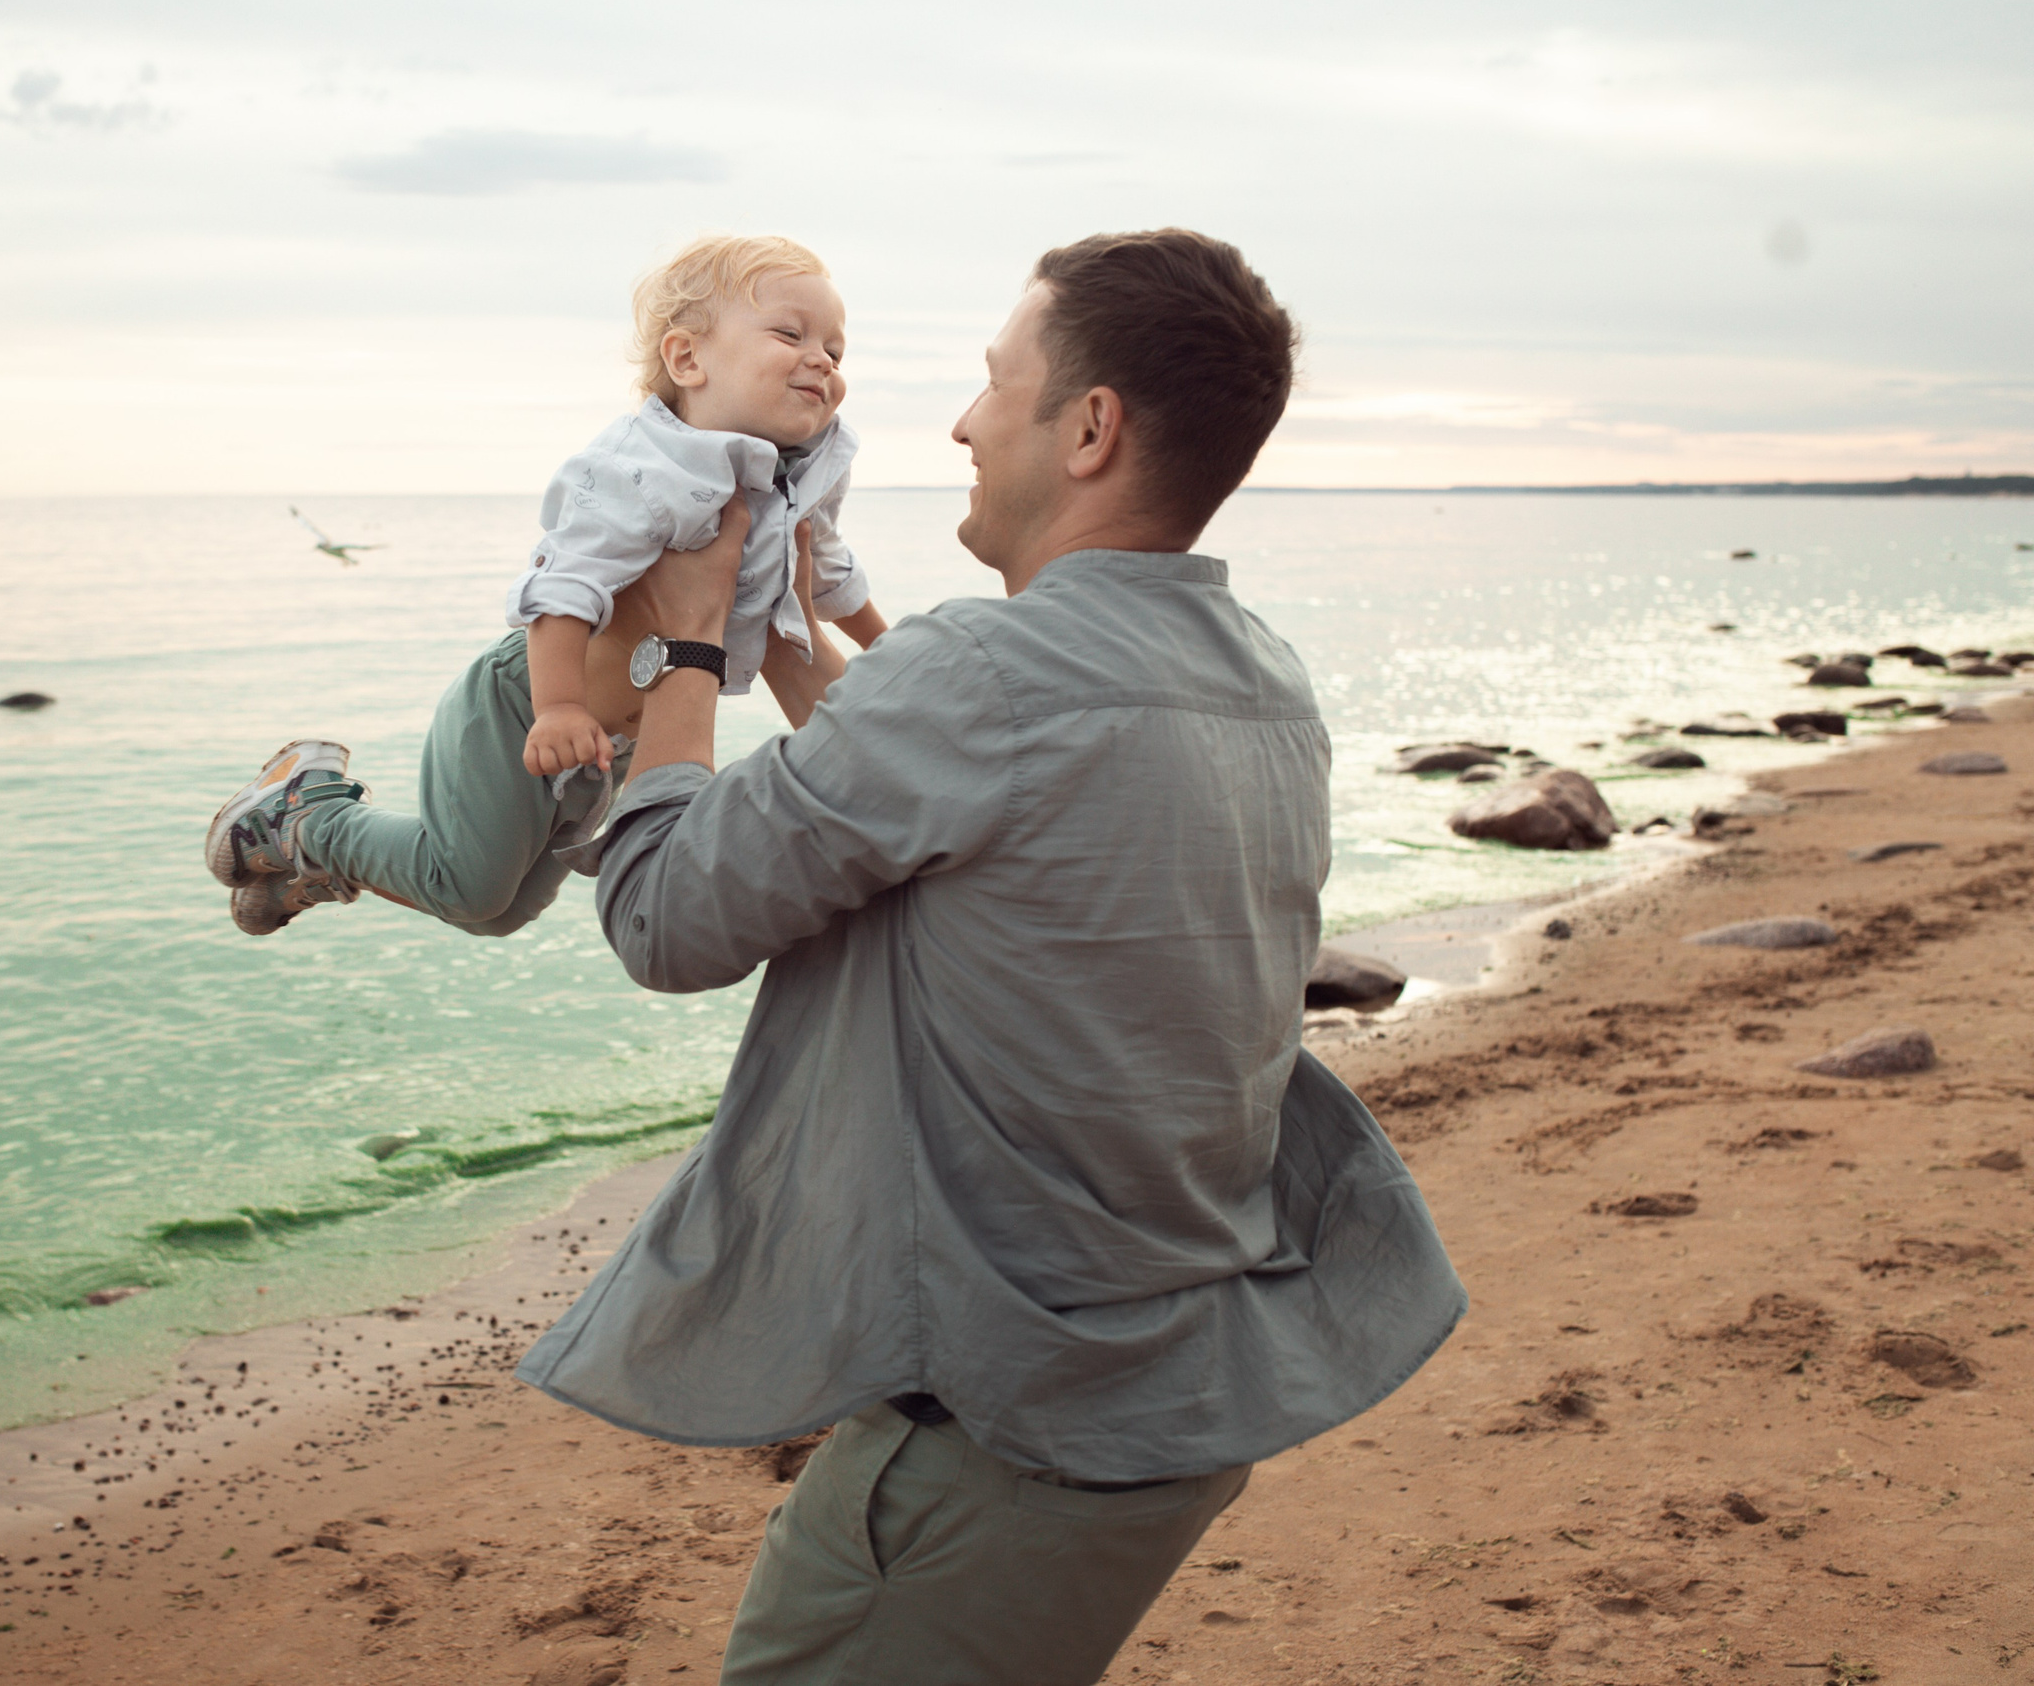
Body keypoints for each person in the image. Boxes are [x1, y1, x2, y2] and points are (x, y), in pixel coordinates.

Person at [515, 229, 1467, 1685]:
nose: (958, 425)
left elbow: (664, 914)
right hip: (1185, 1377)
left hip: (1015, 1428)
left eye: (992, 384)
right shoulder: (1266, 681)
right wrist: (792, 657)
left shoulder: (977, 676)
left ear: (1090, 428)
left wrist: (694, 647)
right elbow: (941, 802)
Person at [201, 234, 887, 940]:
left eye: (836, 350)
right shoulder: (642, 468)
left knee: (502, 914)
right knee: (468, 889)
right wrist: (556, 706)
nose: (822, 360)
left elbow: (826, 568)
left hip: (607, 741)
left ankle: (309, 867)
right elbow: (562, 585)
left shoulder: (799, 474)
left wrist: (887, 649)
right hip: (526, 705)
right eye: (790, 334)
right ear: (688, 359)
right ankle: (310, 811)